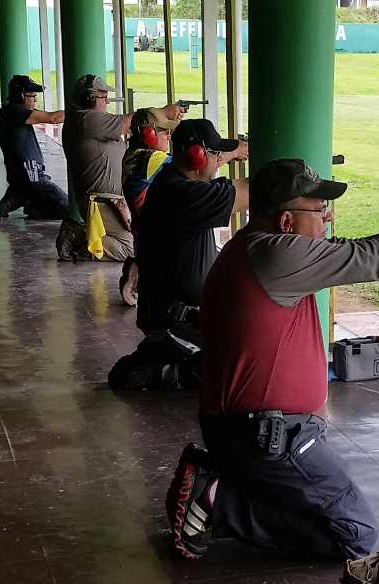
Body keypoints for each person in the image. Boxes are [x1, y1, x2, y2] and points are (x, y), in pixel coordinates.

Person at [164, 158, 379, 560]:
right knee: (353, 533)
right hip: (264, 438)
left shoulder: (256, 248)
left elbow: (359, 250)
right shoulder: (276, 256)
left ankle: (223, 490)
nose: (327, 217)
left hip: (255, 432)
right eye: (318, 210)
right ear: (287, 221)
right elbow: (377, 256)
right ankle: (219, 506)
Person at [106, 119, 246, 391]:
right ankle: (165, 368)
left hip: (179, 315)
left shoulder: (173, 184)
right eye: (215, 155)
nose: (219, 161)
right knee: (239, 373)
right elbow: (254, 191)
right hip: (177, 322)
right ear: (197, 155)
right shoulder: (182, 193)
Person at [57, 74, 184, 304]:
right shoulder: (86, 119)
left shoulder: (88, 120)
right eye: (103, 97)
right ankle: (78, 240)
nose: (106, 102)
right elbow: (131, 123)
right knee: (132, 250)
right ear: (88, 98)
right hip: (102, 201)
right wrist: (162, 113)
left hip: (110, 200)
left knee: (142, 243)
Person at [112, 107, 180, 306]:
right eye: (164, 131)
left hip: (142, 226)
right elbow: (191, 168)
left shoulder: (132, 154)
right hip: (154, 229)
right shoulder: (152, 159)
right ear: (149, 134)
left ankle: (137, 275)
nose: (168, 136)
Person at [0, 75, 67, 222]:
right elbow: (53, 118)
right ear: (20, 96)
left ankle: (20, 196)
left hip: (26, 174)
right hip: (30, 176)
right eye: (32, 96)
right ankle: (28, 201)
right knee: (71, 210)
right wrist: (80, 111)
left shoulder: (13, 112)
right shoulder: (15, 111)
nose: (35, 99)